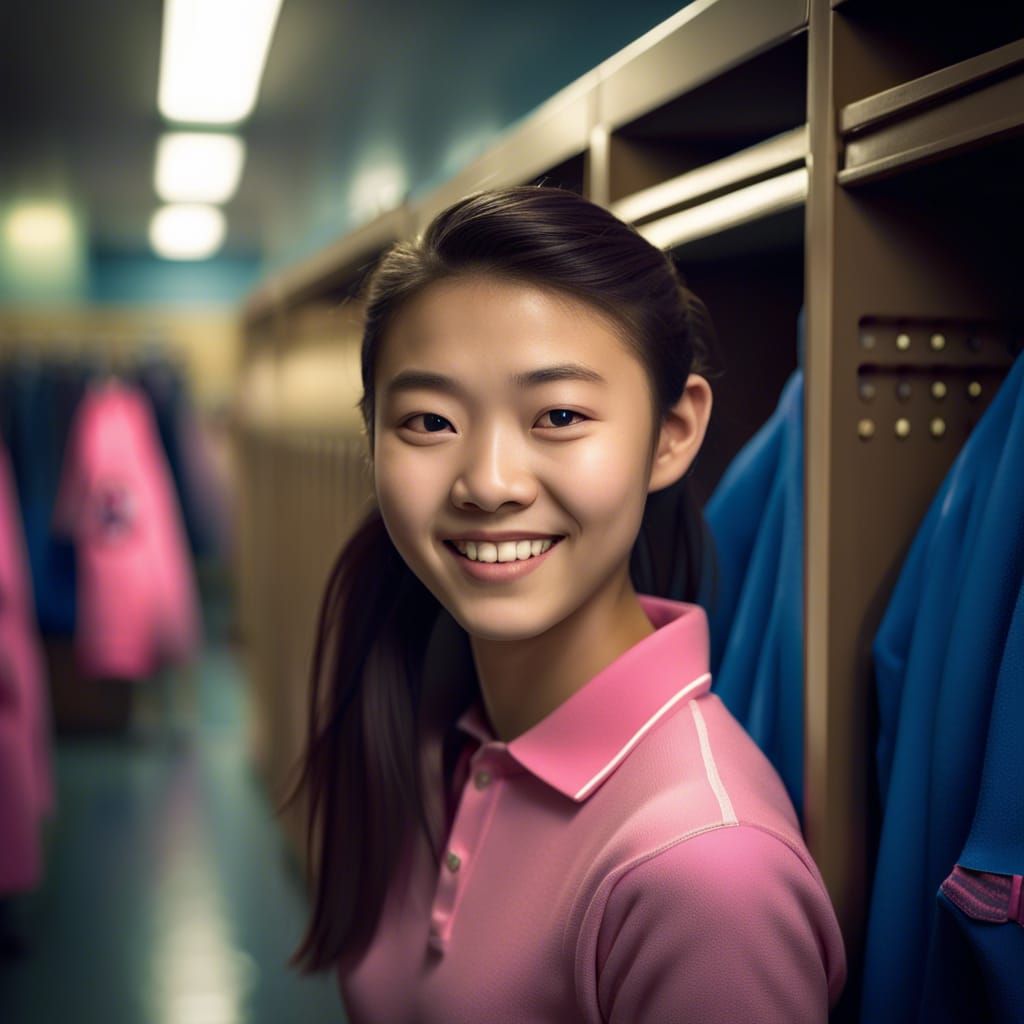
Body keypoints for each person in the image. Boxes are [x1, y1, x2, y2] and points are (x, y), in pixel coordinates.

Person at [287, 185, 847, 1022]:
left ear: (672, 433)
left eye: (557, 415)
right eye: (430, 422)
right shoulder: (432, 729)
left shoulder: (709, 875)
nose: (488, 484)